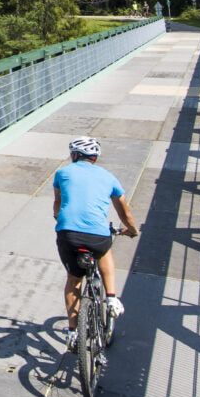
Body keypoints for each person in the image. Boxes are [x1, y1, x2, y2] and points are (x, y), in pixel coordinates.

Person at [51, 136, 137, 342]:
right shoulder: (109, 177)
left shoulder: (62, 173)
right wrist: (132, 230)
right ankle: (112, 298)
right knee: (104, 251)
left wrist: (59, 218)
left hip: (68, 234)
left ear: (74, 155)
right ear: (94, 157)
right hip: (97, 234)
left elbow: (58, 202)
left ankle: (73, 332)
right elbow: (124, 212)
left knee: (74, 279)